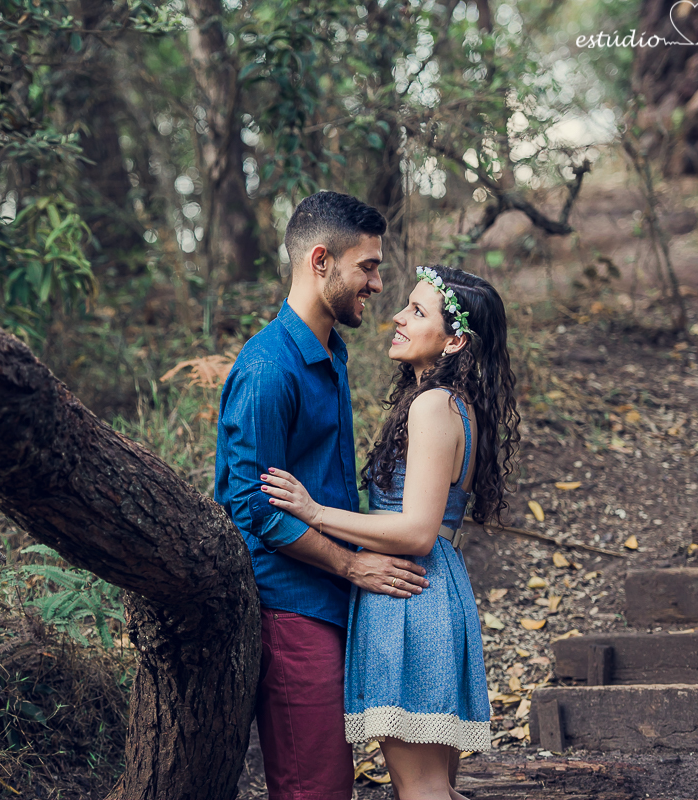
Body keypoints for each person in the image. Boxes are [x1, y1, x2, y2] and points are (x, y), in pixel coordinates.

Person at [260, 265, 520, 800]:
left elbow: (417, 531)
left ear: (455, 341)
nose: (398, 317)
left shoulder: (432, 406)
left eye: (418, 312)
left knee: (420, 790)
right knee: (434, 786)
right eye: (407, 305)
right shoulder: (451, 404)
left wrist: (313, 512)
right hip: (429, 590)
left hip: (410, 594)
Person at [215, 191, 432, 800]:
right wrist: (351, 562)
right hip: (289, 609)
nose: (378, 283)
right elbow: (252, 510)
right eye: (367, 266)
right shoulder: (268, 369)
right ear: (320, 261)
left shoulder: (330, 352)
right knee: (315, 789)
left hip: (333, 602)